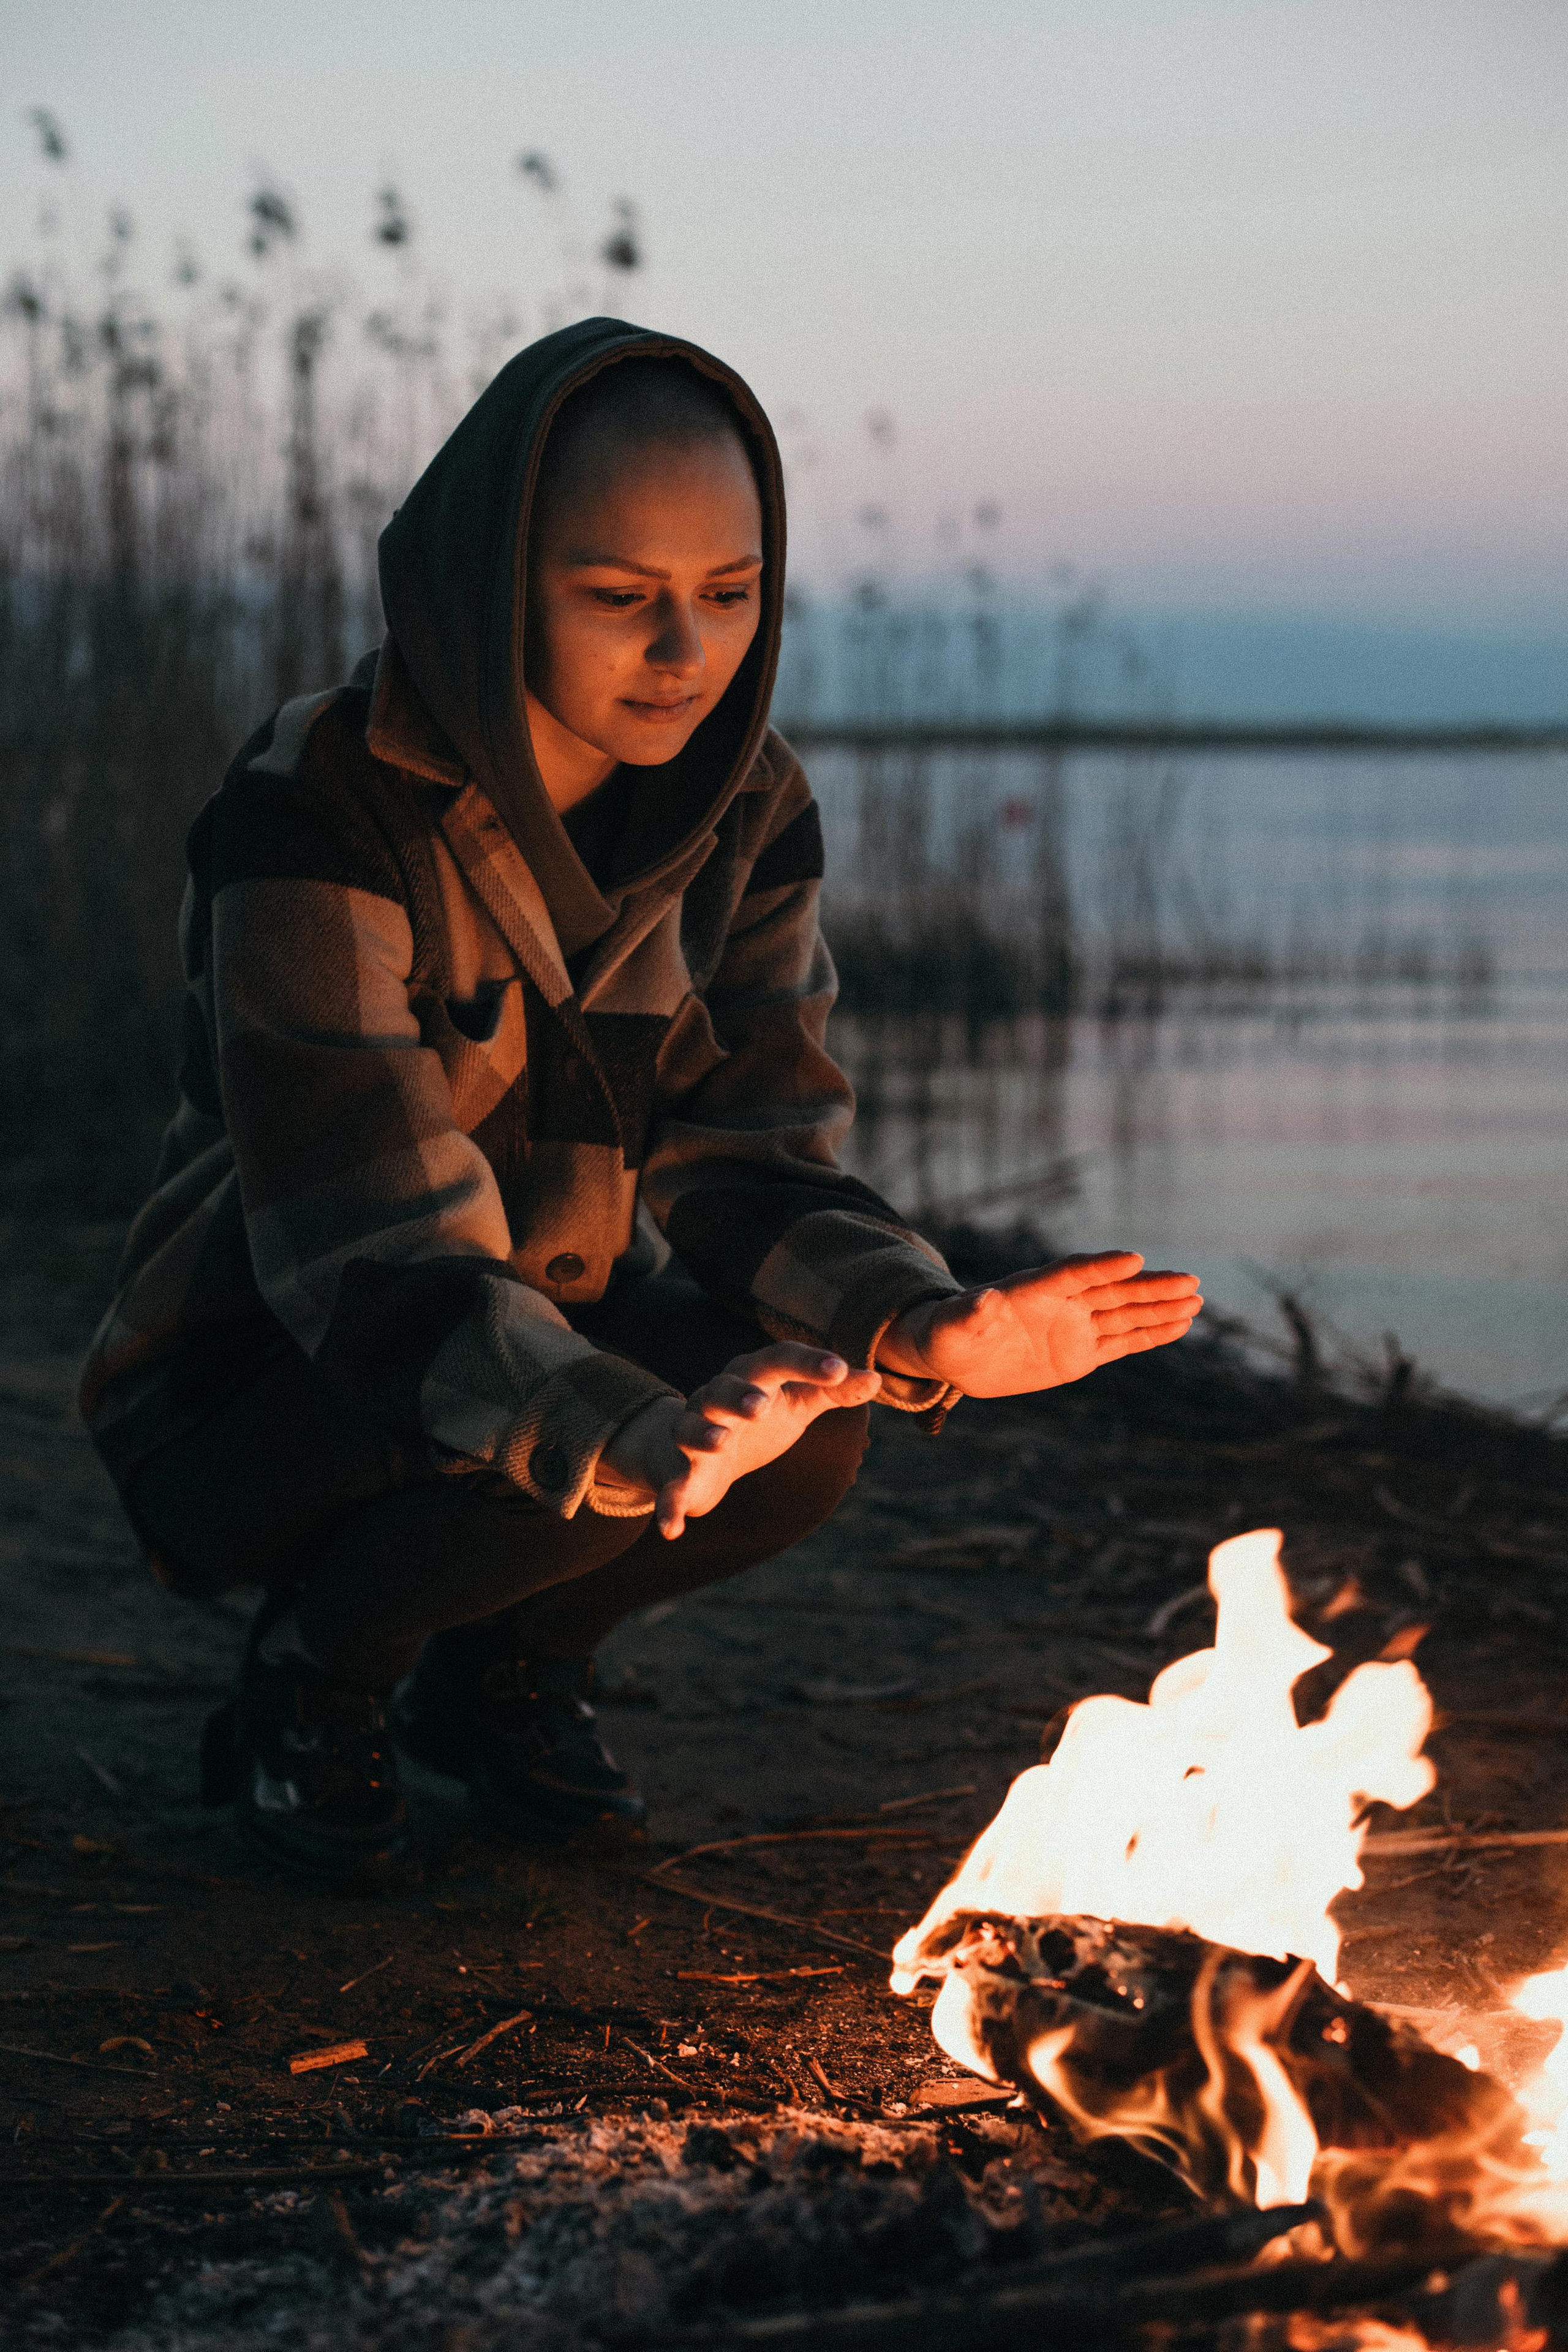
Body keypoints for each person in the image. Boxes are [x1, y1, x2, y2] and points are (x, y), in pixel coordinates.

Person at [78, 319, 1202, 1884]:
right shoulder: (319, 807)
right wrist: (634, 1433)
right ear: (492, 584)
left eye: (730, 597)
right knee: (602, 1443)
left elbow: (751, 1153)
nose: (686, 654)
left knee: (808, 1419)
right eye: (620, 600)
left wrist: (924, 1328)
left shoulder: (748, 804)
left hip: (525, 1343)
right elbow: (375, 1255)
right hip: (270, 1394)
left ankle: (502, 1669)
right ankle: (311, 1679)